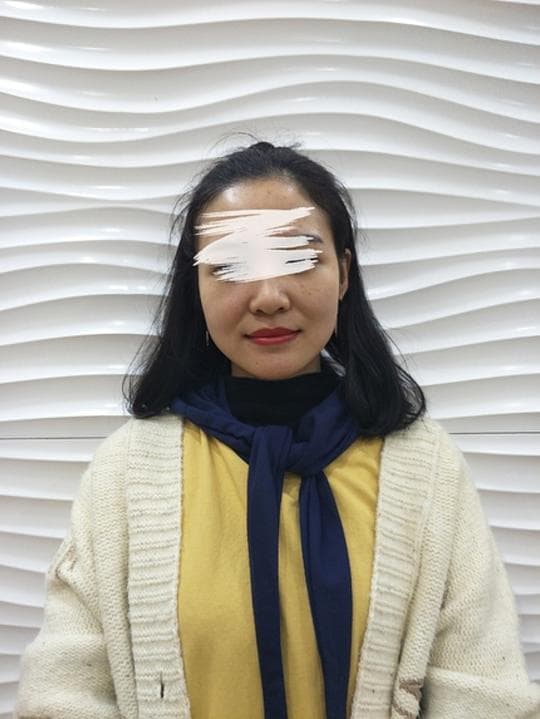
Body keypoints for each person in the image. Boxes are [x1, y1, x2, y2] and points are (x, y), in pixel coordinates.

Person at [14, 140, 540, 719]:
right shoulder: (127, 472)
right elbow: (63, 691)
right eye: (230, 266)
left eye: (297, 258)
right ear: (198, 286)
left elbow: (483, 691)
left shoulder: (426, 467)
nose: (268, 297)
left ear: (343, 273)